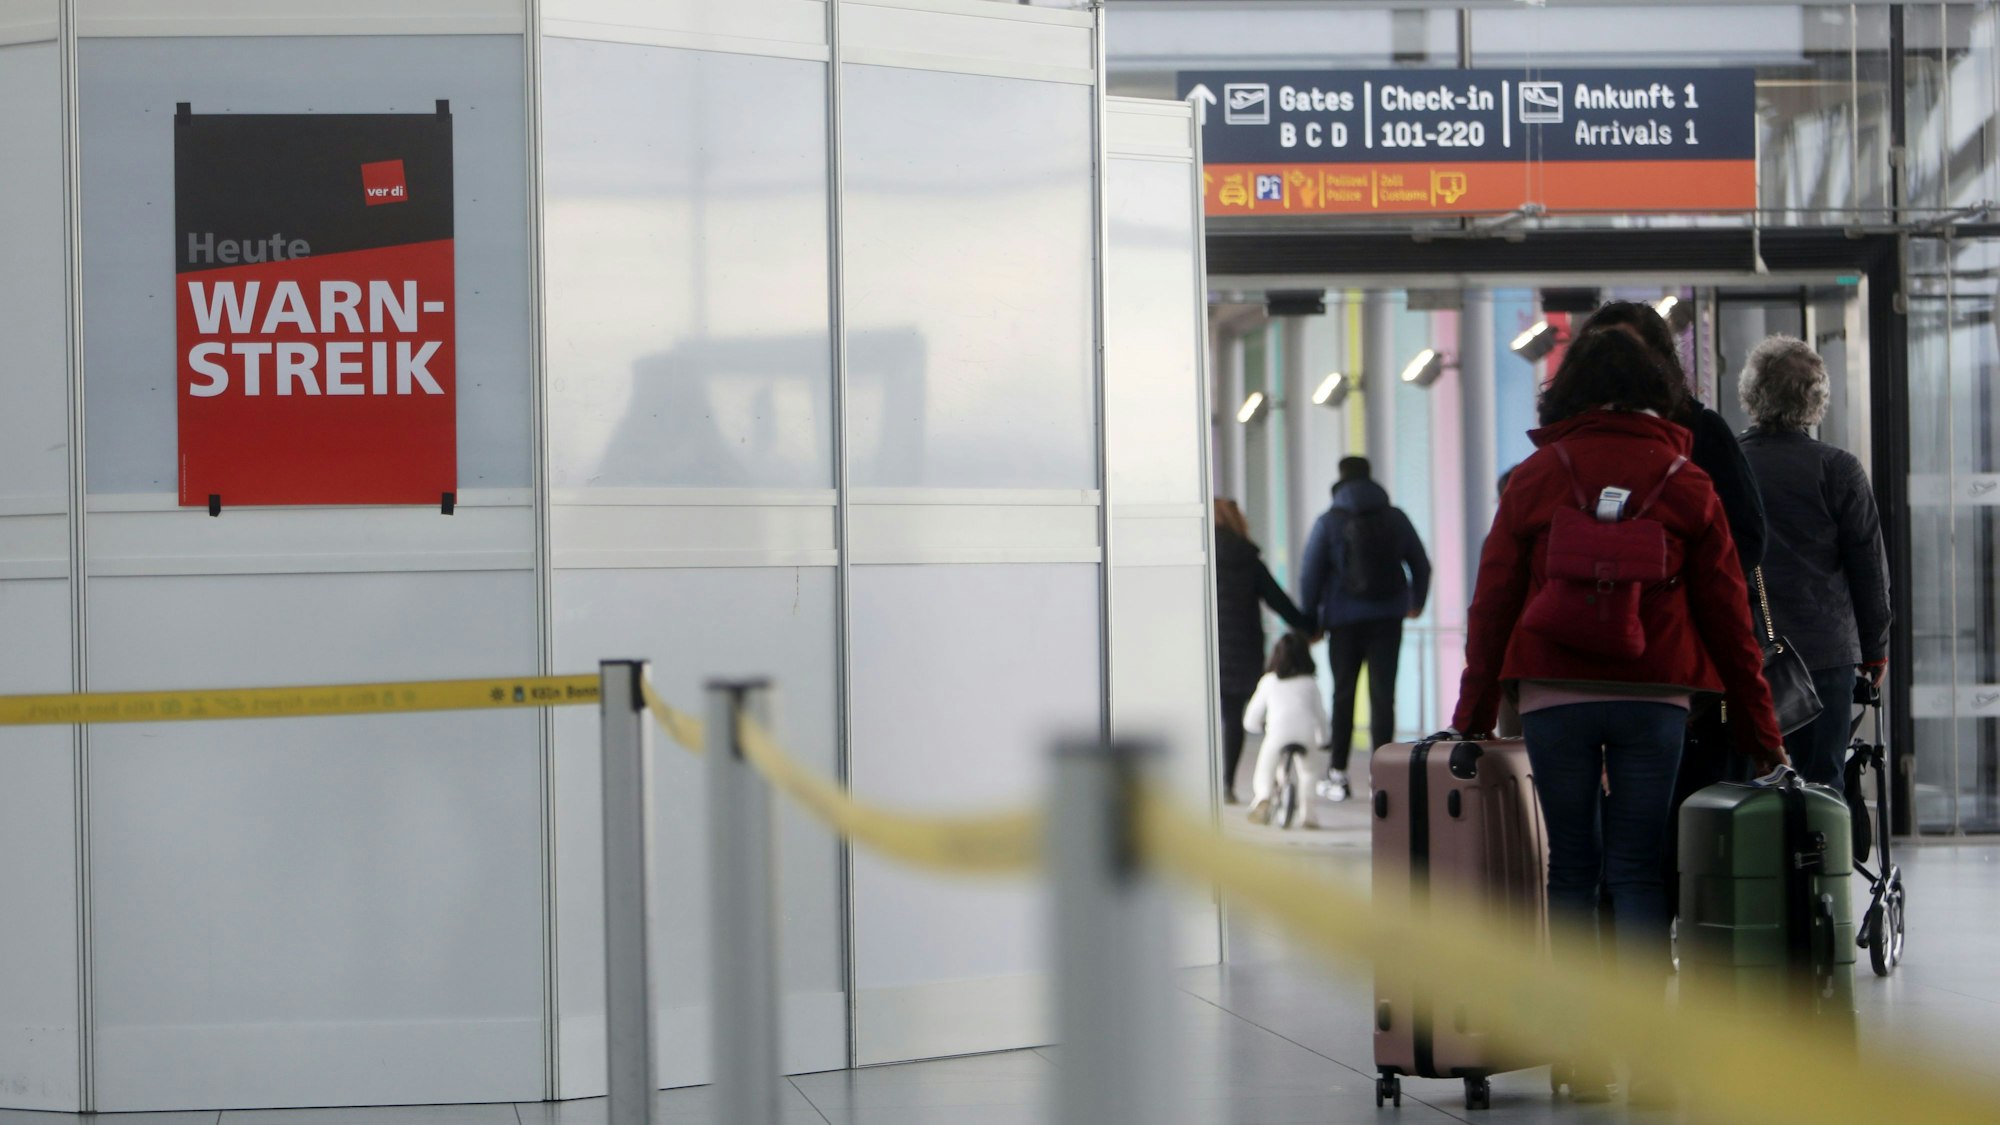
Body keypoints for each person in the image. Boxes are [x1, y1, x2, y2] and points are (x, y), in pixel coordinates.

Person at [1450, 329, 1787, 1104]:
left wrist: (1471, 716)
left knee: (1571, 867)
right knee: (1638, 869)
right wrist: (1762, 735)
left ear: (1569, 394)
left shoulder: (1536, 476)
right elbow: (1732, 621)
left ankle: (1581, 1053)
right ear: (1660, 393)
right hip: (1655, 698)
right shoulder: (1687, 479)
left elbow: (1492, 602)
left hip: (1554, 695)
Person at [1738, 336, 1892, 790]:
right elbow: (1868, 567)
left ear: (1751, 391)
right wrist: (1874, 648)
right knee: (1824, 783)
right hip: (1825, 654)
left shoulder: (1726, 466)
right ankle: (1819, 861)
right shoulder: (1839, 469)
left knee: (1750, 782)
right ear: (1817, 400)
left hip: (1745, 652)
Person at [1298, 457, 1431, 802]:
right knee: (1382, 695)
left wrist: (1310, 622)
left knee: (1343, 694)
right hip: (1388, 617)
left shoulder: (1329, 522)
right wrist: (1416, 602)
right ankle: (1383, 777)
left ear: (1339, 479)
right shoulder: (1395, 517)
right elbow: (1421, 563)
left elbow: (1310, 575)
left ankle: (1338, 774)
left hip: (1342, 621)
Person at [1213, 498, 1313, 804]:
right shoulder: (1248, 559)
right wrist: (1309, 628)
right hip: (1243, 646)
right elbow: (1278, 601)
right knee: (1232, 717)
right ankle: (1227, 784)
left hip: (1207, 645)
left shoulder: (1199, 555)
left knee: (1204, 715)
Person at [1243, 632, 1330, 825]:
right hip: (1305, 734)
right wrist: (1323, 739)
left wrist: (1257, 727)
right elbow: (1321, 716)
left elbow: (1252, 717)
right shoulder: (1310, 683)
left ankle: (1263, 796)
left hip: (1277, 734)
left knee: (1265, 768)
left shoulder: (1269, 681)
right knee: (1308, 773)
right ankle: (1308, 814)